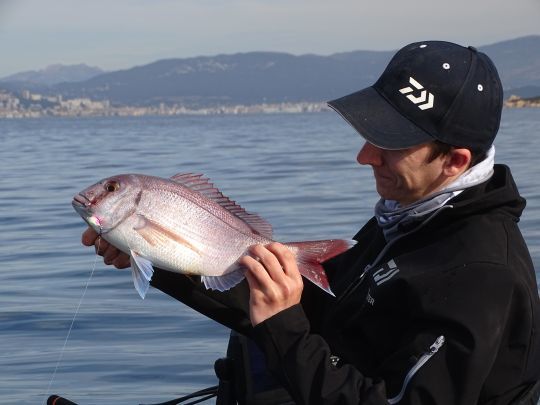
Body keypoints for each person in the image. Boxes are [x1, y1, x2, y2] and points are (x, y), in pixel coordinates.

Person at [82, 41, 540, 404]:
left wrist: (284, 329)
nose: (364, 156)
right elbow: (313, 309)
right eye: (369, 134)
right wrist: (158, 258)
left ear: (454, 162)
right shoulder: (413, 215)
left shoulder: (481, 276)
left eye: (390, 143)